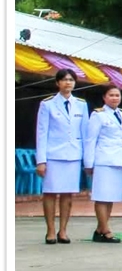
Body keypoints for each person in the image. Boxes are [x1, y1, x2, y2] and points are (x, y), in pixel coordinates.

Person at [35, 69, 87, 245]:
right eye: (64, 80)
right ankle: (50, 230)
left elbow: (85, 132)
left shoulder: (81, 104)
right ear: (57, 83)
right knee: (50, 193)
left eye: (71, 80)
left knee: (68, 194)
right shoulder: (48, 104)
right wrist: (41, 160)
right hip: (53, 154)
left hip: (73, 154)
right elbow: (42, 133)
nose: (68, 83)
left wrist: (87, 159)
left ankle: (63, 230)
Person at [83, 85, 122, 243]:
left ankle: (99, 229)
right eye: (111, 95)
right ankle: (106, 229)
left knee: (110, 197)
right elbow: (91, 140)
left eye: (117, 95)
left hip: (119, 160)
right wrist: (89, 163)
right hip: (103, 160)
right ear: (104, 97)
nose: (115, 98)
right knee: (101, 196)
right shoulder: (98, 115)